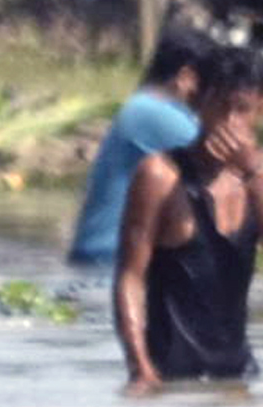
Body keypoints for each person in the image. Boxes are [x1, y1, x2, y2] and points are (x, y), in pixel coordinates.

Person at [112, 45, 263, 393]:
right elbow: (130, 277)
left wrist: (252, 174)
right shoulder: (160, 176)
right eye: (220, 108)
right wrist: (140, 369)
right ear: (197, 104)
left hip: (238, 374)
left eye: (242, 110)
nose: (230, 124)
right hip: (170, 376)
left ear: (261, 109)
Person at [67, 30, 209, 269]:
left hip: (99, 258)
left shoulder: (141, 107)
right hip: (109, 261)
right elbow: (231, 162)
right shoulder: (157, 114)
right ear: (187, 78)